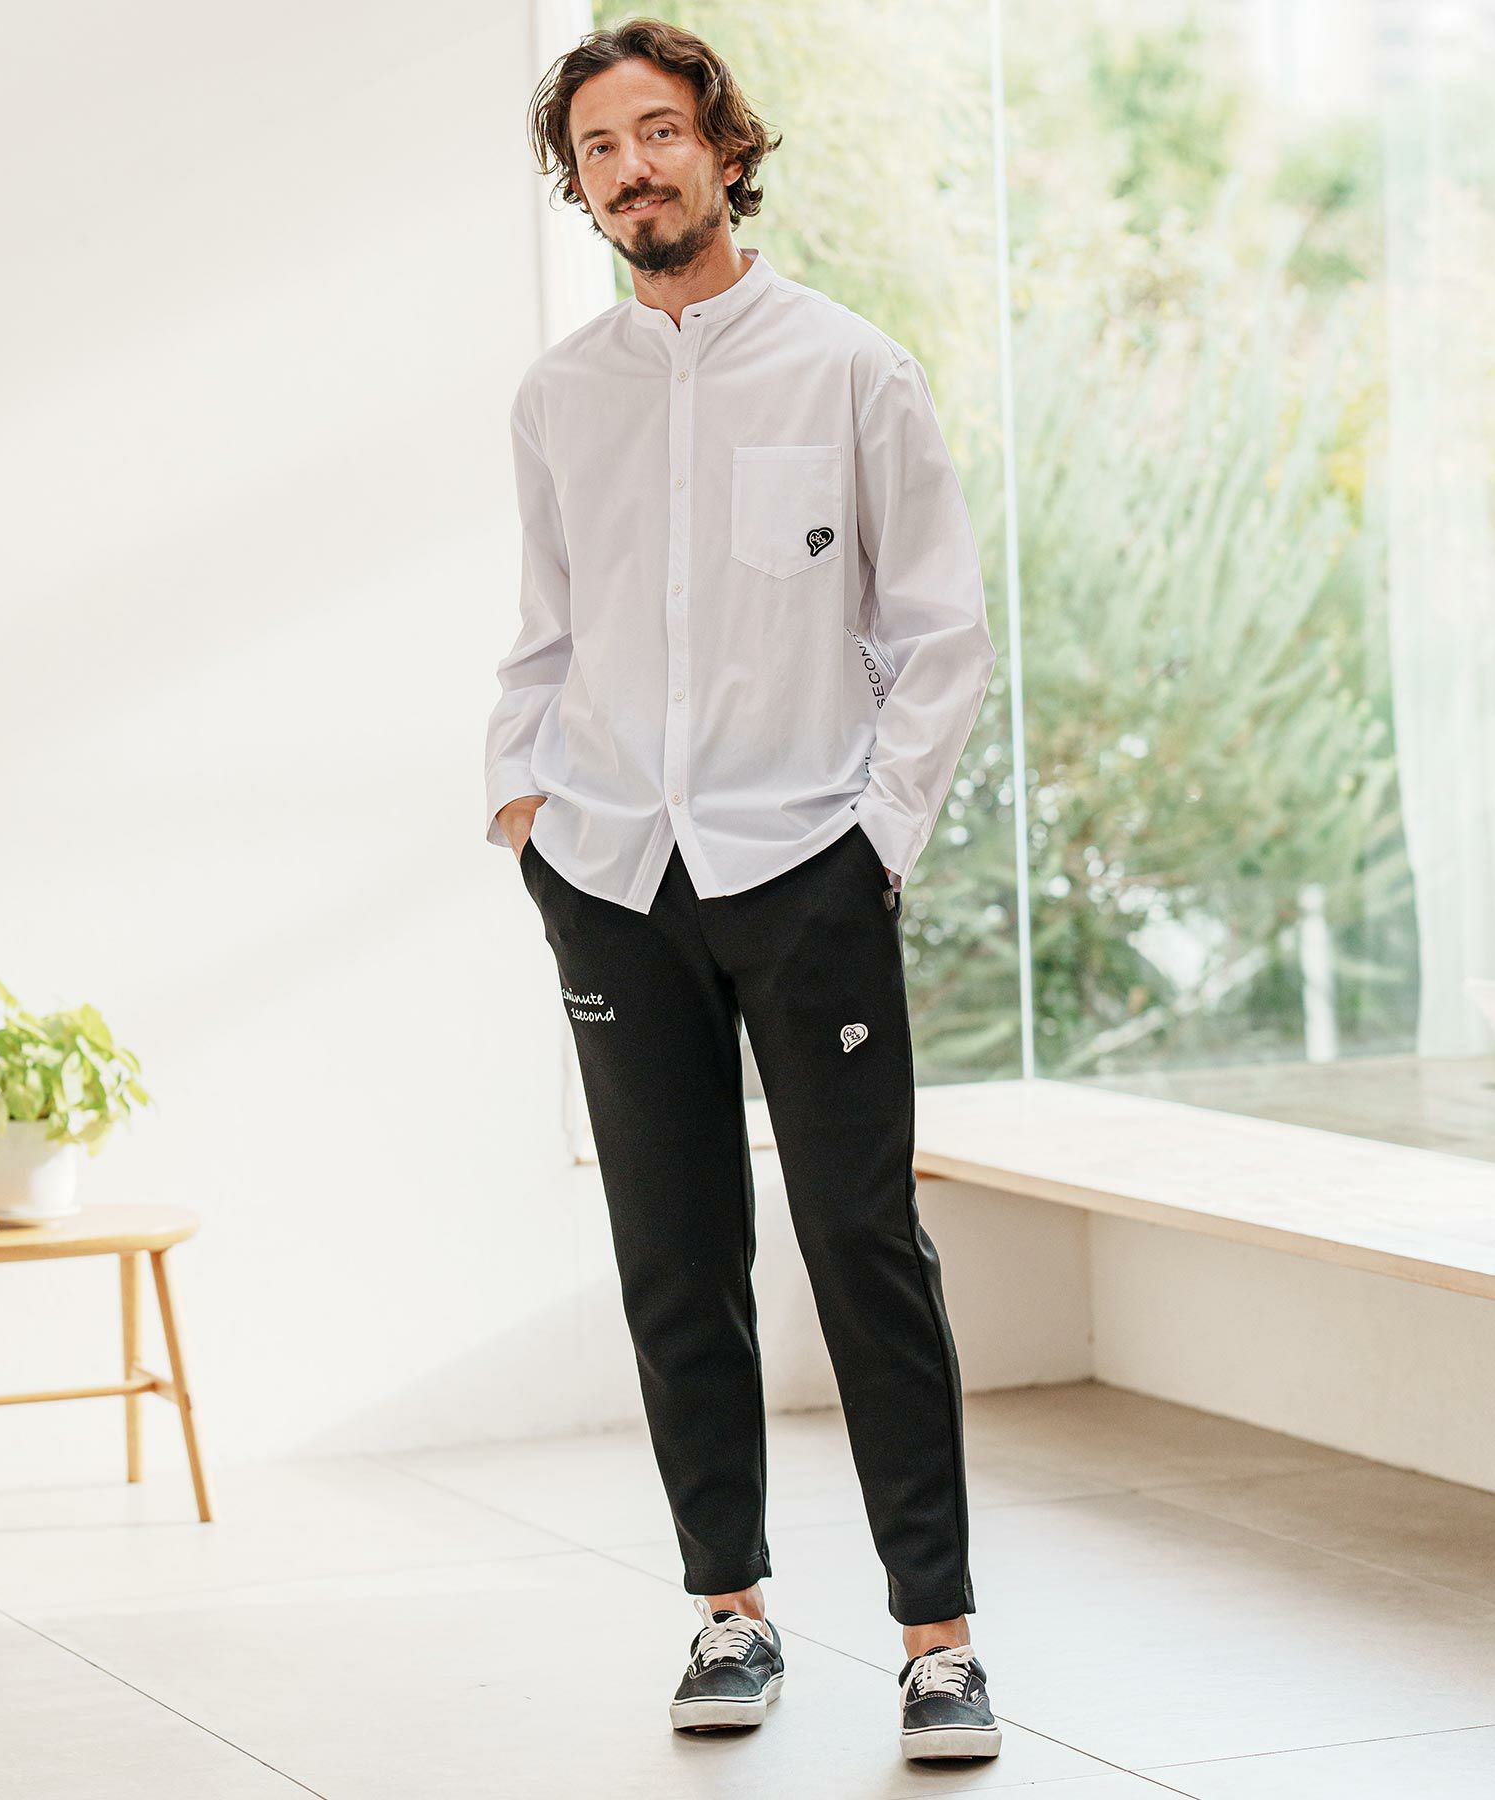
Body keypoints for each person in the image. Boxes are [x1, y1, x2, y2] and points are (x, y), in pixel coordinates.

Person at [487, 16, 1002, 1765]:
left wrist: (876, 846)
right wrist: (525, 811)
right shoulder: (559, 397)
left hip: (805, 873)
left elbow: (937, 633)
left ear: (722, 145)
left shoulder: (853, 370)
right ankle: (730, 1612)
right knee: (673, 1253)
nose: (631, 167)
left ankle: (938, 1642)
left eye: (658, 131)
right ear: (580, 187)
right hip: (613, 875)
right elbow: (547, 635)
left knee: (864, 1244)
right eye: (598, 147)